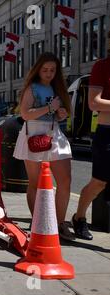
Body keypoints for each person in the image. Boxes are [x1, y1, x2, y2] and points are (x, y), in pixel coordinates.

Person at [13, 52, 73, 240]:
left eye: (52, 70)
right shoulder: (32, 88)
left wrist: (60, 114)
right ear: (38, 69)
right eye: (45, 69)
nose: (48, 73)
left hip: (54, 133)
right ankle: (39, 221)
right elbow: (25, 114)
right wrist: (49, 108)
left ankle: (59, 223)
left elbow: (55, 112)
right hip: (35, 134)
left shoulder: (58, 88)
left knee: (65, 181)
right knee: (36, 183)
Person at [73, 32, 110, 240]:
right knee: (99, 182)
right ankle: (79, 218)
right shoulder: (102, 67)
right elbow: (94, 103)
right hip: (107, 134)